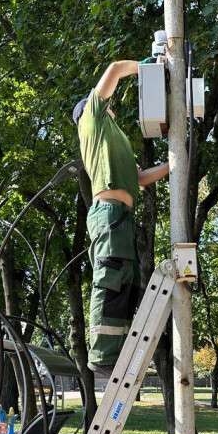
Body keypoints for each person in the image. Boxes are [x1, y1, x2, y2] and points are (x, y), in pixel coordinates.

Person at [73, 60, 170, 377]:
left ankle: (120, 351)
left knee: (127, 281)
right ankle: (102, 353)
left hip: (123, 216)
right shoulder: (91, 121)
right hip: (109, 213)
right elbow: (114, 69)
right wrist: (148, 68)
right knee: (111, 277)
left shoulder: (117, 139)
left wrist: (174, 161)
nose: (110, 102)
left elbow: (141, 178)